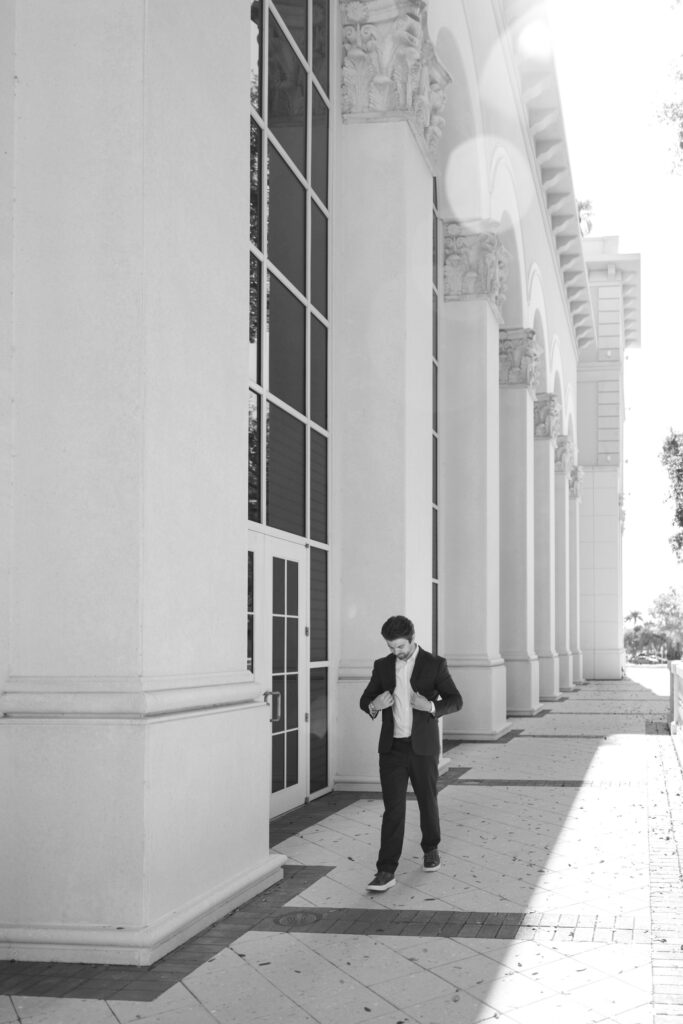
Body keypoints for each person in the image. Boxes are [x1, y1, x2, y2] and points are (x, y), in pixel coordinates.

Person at [359, 615, 463, 892]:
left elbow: (455, 700)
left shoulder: (434, 664)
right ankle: (385, 870)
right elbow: (365, 699)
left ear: (412, 639)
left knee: (427, 801)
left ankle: (431, 848)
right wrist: (374, 704)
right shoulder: (382, 666)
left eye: (401, 647)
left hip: (423, 749)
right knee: (393, 809)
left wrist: (430, 706)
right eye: (392, 647)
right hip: (392, 749)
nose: (396, 652)